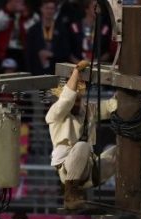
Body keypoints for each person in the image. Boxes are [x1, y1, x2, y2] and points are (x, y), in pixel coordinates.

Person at [46, 60, 117, 210]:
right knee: (82, 146)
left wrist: (125, 90)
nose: (77, 103)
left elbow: (110, 106)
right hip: (68, 170)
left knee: (123, 151)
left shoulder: (87, 109)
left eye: (79, 99)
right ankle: (70, 195)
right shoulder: (55, 113)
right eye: (75, 99)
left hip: (90, 172)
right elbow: (66, 100)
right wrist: (76, 72)